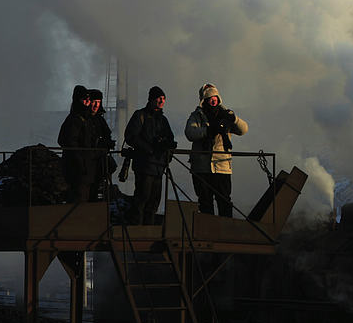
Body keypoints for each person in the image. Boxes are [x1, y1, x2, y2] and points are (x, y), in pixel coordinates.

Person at [184, 83, 248, 217]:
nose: (213, 100)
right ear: (204, 100)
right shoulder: (196, 116)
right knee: (205, 202)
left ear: (219, 98)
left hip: (222, 166)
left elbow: (243, 130)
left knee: (224, 200)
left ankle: (226, 231)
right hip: (201, 168)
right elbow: (190, 133)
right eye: (209, 98)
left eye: (215, 97)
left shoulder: (226, 115)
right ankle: (207, 233)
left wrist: (234, 119)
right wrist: (208, 131)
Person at [124, 86, 177, 224]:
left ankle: (148, 230)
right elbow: (130, 136)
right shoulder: (140, 115)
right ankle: (138, 231)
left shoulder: (163, 120)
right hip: (145, 165)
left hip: (158, 166)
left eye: (163, 98)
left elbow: (170, 139)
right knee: (142, 199)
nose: (162, 100)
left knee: (154, 201)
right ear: (152, 99)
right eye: (159, 98)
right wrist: (149, 149)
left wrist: (166, 150)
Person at [58, 85, 93, 202]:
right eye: (84, 99)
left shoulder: (84, 119)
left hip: (84, 167)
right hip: (78, 169)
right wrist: (80, 161)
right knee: (79, 199)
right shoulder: (75, 120)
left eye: (88, 98)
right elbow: (68, 141)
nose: (88, 101)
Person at [87, 89, 116, 199]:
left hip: (98, 161)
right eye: (94, 101)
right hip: (88, 162)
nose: (96, 105)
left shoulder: (100, 120)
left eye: (98, 102)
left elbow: (107, 134)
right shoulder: (83, 119)